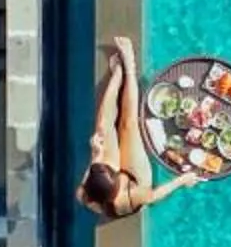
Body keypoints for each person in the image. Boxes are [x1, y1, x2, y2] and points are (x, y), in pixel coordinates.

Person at [77, 36, 199, 220]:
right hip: (135, 180)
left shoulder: (83, 193)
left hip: (108, 179)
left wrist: (96, 153)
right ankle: (130, 67)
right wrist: (183, 180)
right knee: (129, 124)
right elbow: (154, 196)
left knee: (102, 128)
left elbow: (95, 171)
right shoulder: (134, 196)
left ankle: (118, 74)